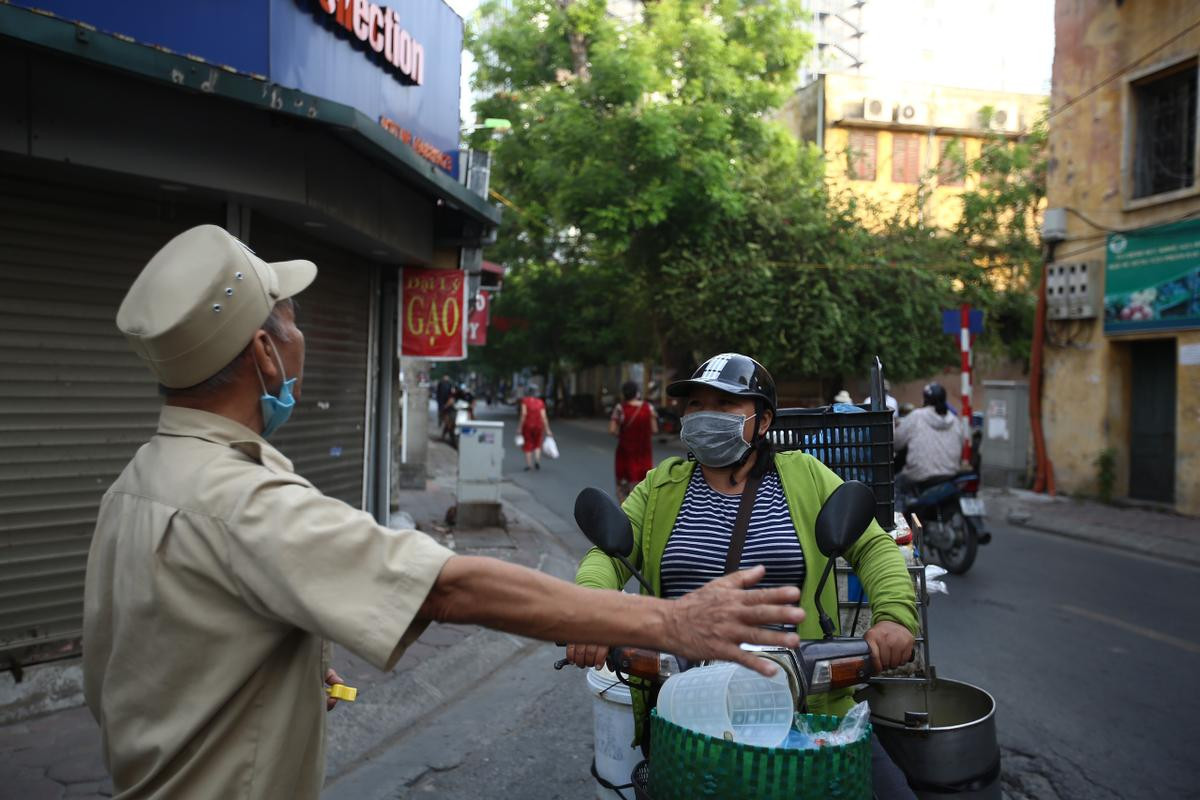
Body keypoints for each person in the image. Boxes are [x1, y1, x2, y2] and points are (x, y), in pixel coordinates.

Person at [85, 228, 809, 800]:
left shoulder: (143, 480)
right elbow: (447, 586)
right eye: (294, 320)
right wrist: (671, 622)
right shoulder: (237, 501)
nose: (305, 340)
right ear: (266, 355)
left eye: (728, 408)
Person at [566, 353, 918, 798]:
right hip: (685, 710)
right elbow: (609, 555)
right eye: (695, 404)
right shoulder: (660, 486)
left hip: (806, 706)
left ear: (763, 419)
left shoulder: (805, 475)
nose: (704, 415)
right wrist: (591, 609)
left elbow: (872, 545)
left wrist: (894, 617)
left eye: (724, 404)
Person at [894, 381, 967, 500]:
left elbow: (896, 443)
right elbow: (962, 445)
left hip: (920, 476)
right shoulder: (955, 420)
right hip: (950, 476)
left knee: (895, 486)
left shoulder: (916, 416)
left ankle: (897, 518)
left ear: (925, 399)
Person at [609, 381, 658, 501]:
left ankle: (625, 513)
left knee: (624, 488)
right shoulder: (649, 408)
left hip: (625, 454)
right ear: (637, 393)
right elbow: (655, 429)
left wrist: (622, 433)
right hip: (644, 454)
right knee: (643, 486)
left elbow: (612, 430)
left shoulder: (620, 408)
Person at [518, 384, 552, 471]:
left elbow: (524, 414)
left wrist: (519, 427)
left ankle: (529, 465)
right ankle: (537, 461)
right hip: (538, 426)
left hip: (528, 426)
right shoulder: (540, 402)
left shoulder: (525, 401)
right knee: (537, 443)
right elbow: (544, 417)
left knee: (528, 444)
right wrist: (548, 429)